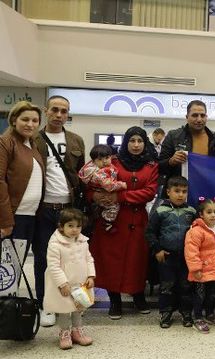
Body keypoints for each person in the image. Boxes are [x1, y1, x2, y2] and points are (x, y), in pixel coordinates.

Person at [89, 126, 158, 320]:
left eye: (140, 141)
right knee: (112, 261)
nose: (136, 145)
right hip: (113, 220)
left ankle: (138, 296)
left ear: (145, 143)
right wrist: (100, 196)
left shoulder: (151, 165)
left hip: (138, 220)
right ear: (125, 142)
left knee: (137, 260)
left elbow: (150, 191)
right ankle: (115, 300)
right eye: (132, 141)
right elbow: (93, 184)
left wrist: (120, 196)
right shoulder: (112, 161)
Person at [32, 95, 86, 327]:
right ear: (46, 111)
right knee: (44, 258)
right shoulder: (32, 137)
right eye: (55, 110)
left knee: (73, 260)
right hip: (42, 208)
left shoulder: (76, 140)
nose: (59, 115)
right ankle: (46, 304)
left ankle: (73, 302)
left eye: (64, 111)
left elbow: (82, 174)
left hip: (69, 209)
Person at [145, 176, 197, 329]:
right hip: (166, 256)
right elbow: (150, 233)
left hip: (186, 257)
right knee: (167, 286)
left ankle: (186, 312)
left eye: (184, 191)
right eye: (177, 191)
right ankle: (166, 312)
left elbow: (198, 233)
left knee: (186, 286)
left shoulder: (192, 211)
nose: (181, 195)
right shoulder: (160, 211)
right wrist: (157, 249)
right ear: (168, 192)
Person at [43, 208, 95, 350]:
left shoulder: (83, 241)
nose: (74, 230)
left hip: (80, 282)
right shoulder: (55, 244)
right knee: (64, 308)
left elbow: (89, 259)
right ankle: (65, 332)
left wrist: (91, 275)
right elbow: (53, 266)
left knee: (78, 308)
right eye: (70, 226)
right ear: (61, 226)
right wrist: (62, 283)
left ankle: (77, 331)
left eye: (78, 226)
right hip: (64, 283)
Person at [0, 101, 44, 264]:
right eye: (25, 119)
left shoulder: (32, 145)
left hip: (29, 217)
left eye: (35, 121)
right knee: (6, 273)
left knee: (14, 272)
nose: (30, 124)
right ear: (13, 120)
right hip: (12, 218)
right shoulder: (5, 142)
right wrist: (5, 221)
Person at [184, 196, 215, 333]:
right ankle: (198, 317)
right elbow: (191, 251)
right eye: (209, 212)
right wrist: (196, 269)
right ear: (201, 214)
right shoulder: (196, 231)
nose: (213, 215)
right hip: (201, 272)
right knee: (199, 295)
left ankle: (210, 313)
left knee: (211, 294)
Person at [159, 100, 215, 192]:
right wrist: (171, 161)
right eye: (194, 115)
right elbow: (159, 167)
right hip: (180, 193)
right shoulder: (173, 136)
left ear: (206, 117)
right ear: (187, 117)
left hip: (207, 191)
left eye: (202, 115)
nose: (199, 119)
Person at [78, 144, 127, 232]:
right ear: (93, 161)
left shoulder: (100, 168)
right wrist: (122, 185)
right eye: (100, 159)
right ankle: (107, 222)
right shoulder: (99, 173)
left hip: (101, 193)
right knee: (114, 207)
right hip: (102, 194)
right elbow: (109, 186)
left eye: (107, 158)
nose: (104, 161)